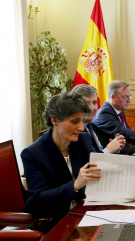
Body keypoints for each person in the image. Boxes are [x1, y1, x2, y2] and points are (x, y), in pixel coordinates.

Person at [21, 92, 102, 230]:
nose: (82, 128)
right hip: (53, 222)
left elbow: (97, 170)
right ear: (55, 120)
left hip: (82, 213)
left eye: (82, 121)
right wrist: (75, 185)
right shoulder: (33, 153)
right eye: (75, 121)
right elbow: (39, 198)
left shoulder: (82, 140)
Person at [72, 84, 126, 153]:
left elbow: (100, 150)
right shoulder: (75, 131)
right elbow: (89, 161)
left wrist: (115, 147)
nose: (92, 108)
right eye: (86, 103)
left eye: (94, 103)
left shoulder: (93, 126)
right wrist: (109, 150)